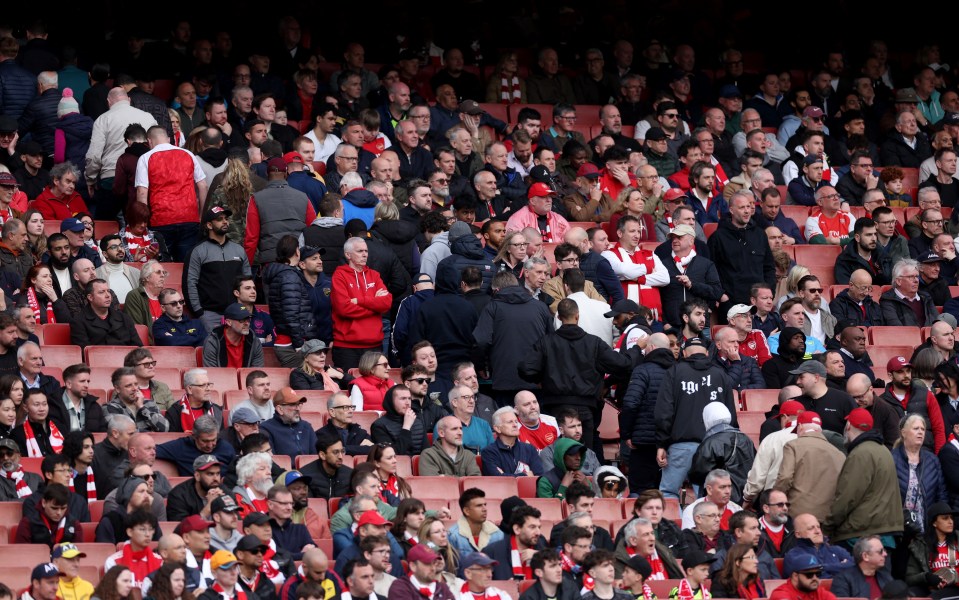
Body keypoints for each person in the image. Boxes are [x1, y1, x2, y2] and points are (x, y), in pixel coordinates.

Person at [656, 338, 738, 499]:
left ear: (685, 353)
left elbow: (664, 412)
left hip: (681, 445)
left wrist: (661, 443)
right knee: (708, 495)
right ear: (707, 354)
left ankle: (674, 524)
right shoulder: (720, 374)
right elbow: (731, 415)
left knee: (668, 493)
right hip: (714, 446)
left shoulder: (675, 371)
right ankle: (702, 524)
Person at [824, 408, 904, 545]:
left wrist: (827, 526)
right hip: (885, 533)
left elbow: (847, 497)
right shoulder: (883, 450)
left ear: (848, 426)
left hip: (861, 535)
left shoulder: (860, 453)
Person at [331, 237, 392, 371]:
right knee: (349, 388)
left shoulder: (374, 275)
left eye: (366, 251)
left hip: (374, 345)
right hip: (347, 347)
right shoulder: (339, 276)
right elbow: (344, 308)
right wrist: (375, 306)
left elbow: (386, 303)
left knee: (376, 387)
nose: (365, 254)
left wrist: (360, 301)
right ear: (348, 255)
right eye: (360, 251)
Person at [775, 411, 846, 522]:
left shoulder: (793, 446)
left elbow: (785, 477)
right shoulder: (839, 454)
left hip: (798, 514)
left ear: (800, 427)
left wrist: (776, 500)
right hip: (828, 517)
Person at [688, 402, 756, 505]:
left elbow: (697, 473)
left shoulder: (710, 442)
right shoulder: (746, 439)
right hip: (746, 497)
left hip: (720, 497)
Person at [893, 414, 947, 534]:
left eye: (923, 429)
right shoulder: (891, 459)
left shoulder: (932, 460)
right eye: (916, 428)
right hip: (900, 529)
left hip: (927, 527)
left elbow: (941, 494)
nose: (920, 432)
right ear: (903, 432)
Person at [201, 303, 264, 368]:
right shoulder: (213, 342)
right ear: (228, 322)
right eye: (242, 320)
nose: (247, 323)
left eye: (248, 319)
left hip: (246, 378)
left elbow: (257, 373)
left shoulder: (254, 341)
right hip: (220, 378)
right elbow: (212, 373)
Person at [371, 386, 426, 456]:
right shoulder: (379, 426)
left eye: (409, 398)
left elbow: (426, 452)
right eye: (403, 399)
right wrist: (406, 427)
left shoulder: (418, 422)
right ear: (391, 401)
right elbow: (393, 455)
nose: (407, 403)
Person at [387, 544, 455, 600]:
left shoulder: (442, 587)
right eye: (427, 563)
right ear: (413, 566)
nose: (433, 568)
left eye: (434, 563)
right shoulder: (400, 587)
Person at [768, 551, 837, 600]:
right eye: (809, 574)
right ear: (795, 576)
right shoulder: (781, 593)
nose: (815, 578)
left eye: (818, 574)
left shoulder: (821, 593)